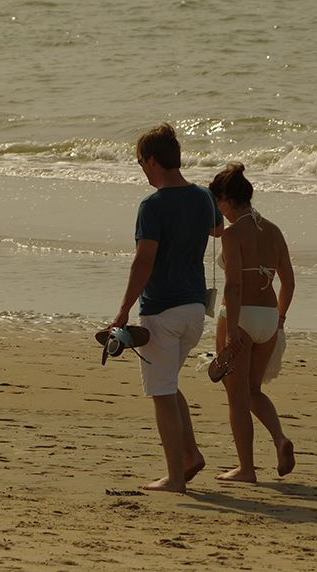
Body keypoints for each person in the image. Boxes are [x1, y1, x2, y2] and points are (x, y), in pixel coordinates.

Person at [107, 123, 223, 493]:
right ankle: (190, 456)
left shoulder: (153, 205)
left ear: (153, 160)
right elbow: (222, 231)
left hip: (162, 312)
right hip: (194, 311)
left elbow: (143, 262)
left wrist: (123, 310)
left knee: (160, 393)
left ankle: (175, 478)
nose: (141, 167)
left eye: (141, 161)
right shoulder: (205, 197)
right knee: (168, 385)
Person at [207, 163, 295, 482]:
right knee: (254, 390)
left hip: (240, 317)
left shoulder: (233, 233)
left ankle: (246, 469)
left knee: (236, 397)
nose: (218, 212)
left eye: (217, 203)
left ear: (228, 199)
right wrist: (280, 321)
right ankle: (280, 439)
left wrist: (231, 332)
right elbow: (289, 282)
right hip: (269, 318)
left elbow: (233, 286)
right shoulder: (273, 231)